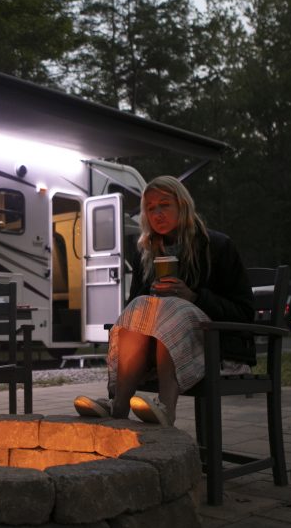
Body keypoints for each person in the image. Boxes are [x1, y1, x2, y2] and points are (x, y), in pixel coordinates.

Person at [73, 175, 255, 426]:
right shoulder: (145, 253)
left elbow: (245, 312)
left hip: (215, 347)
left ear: (183, 205)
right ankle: (119, 404)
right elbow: (134, 310)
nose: (157, 213)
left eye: (164, 204)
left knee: (173, 310)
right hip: (153, 351)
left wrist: (194, 297)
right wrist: (152, 302)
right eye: (150, 208)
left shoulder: (218, 247)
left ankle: (165, 407)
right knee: (140, 307)